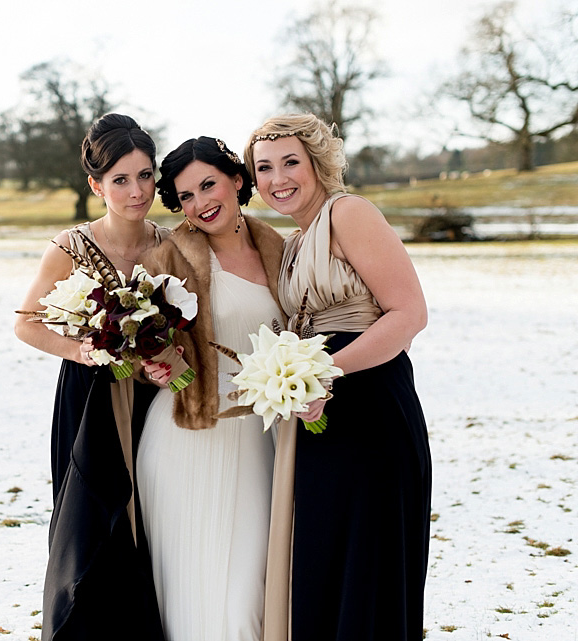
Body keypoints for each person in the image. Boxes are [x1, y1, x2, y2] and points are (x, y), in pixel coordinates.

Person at [244, 113, 432, 641]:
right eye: (264, 168)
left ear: (317, 163)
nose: (278, 178)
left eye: (290, 163)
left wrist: (326, 371)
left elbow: (408, 314)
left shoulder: (348, 213)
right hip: (318, 410)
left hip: (370, 407)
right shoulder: (295, 239)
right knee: (327, 563)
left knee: (367, 566)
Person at [14, 113, 168, 641]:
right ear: (96, 184)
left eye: (145, 176)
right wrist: (84, 351)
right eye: (121, 180)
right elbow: (25, 323)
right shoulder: (71, 246)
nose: (136, 191)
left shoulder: (170, 244)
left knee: (149, 520)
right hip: (88, 398)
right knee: (90, 524)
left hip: (152, 398)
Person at [136, 136, 286, 641]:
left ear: (238, 181)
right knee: (196, 588)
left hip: (264, 436)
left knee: (252, 588)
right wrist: (155, 366)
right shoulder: (170, 255)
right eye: (185, 196)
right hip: (190, 437)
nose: (200, 203)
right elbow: (141, 349)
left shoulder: (279, 248)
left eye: (208, 185)